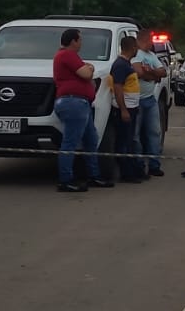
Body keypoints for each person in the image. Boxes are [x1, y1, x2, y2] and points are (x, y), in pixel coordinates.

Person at [51, 28, 106, 193]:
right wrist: (90, 68)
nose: (81, 43)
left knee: (91, 139)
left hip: (80, 103)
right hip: (73, 102)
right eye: (80, 40)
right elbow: (86, 74)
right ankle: (65, 180)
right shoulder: (67, 55)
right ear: (73, 41)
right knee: (70, 142)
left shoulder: (67, 56)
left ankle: (93, 175)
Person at [101, 35, 146, 183]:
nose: (138, 49)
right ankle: (126, 173)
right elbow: (118, 88)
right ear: (132, 47)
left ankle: (133, 171)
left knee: (129, 141)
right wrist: (123, 110)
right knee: (124, 142)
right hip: (125, 109)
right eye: (136, 47)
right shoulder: (120, 65)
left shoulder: (126, 64)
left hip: (131, 107)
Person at [134, 32, 169, 177]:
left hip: (150, 99)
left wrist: (152, 72)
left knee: (155, 133)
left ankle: (154, 165)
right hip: (136, 101)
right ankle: (138, 166)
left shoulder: (151, 55)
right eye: (150, 40)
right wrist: (152, 76)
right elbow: (139, 73)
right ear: (143, 40)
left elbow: (163, 72)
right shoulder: (136, 54)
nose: (152, 44)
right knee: (135, 136)